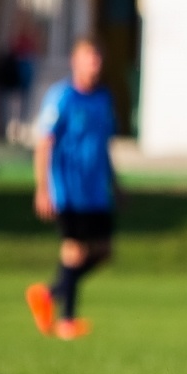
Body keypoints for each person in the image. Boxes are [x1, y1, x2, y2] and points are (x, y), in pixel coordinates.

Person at [26, 39, 118, 340]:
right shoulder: (62, 97)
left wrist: (115, 183)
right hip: (67, 187)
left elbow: (103, 146)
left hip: (96, 190)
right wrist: (43, 188)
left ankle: (49, 294)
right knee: (75, 251)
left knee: (103, 252)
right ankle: (67, 321)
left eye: (98, 57)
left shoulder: (104, 99)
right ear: (74, 61)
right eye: (89, 57)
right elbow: (44, 144)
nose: (96, 63)